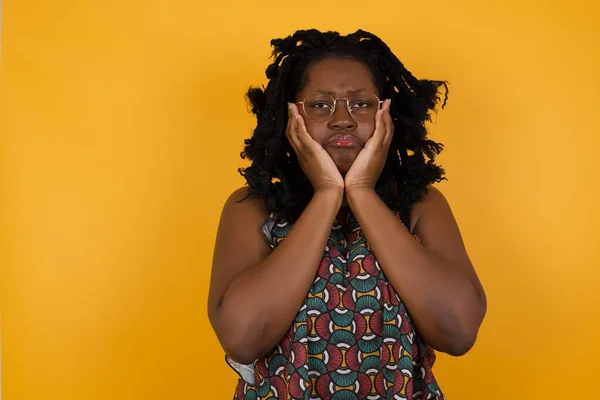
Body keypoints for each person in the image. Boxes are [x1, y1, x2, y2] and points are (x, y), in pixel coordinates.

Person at [208, 29, 487, 400]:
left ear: (387, 113)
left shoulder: (421, 205)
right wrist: (326, 194)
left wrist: (361, 193)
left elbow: (458, 332)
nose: (343, 120)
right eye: (321, 105)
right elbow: (242, 339)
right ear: (290, 116)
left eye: (362, 104)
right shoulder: (252, 209)